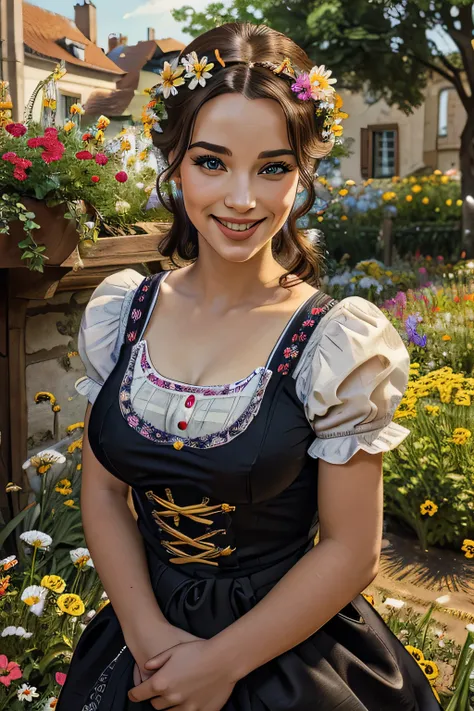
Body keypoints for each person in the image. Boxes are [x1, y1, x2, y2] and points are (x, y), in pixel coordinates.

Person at [57, 21, 441, 711]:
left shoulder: (335, 342)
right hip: (143, 643)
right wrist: (151, 640)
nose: (242, 198)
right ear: (173, 161)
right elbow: (106, 494)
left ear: (304, 172)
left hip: (286, 658)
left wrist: (219, 662)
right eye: (211, 162)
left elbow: (351, 549)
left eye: (273, 167)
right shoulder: (125, 314)